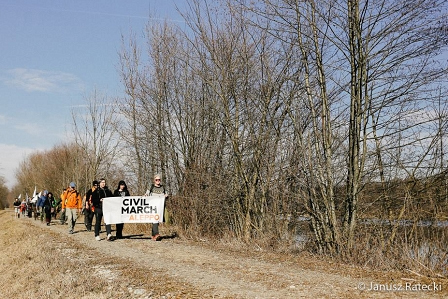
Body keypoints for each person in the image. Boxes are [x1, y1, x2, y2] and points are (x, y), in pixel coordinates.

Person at [145, 174, 168, 241]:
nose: (158, 181)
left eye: (159, 180)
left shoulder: (163, 187)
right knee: (155, 219)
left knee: (157, 220)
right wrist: (146, 195)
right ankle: (157, 234)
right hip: (152, 207)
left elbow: (166, 194)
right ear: (154, 180)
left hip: (160, 207)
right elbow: (146, 194)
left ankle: (153, 235)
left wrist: (166, 196)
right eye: (156, 180)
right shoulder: (151, 187)